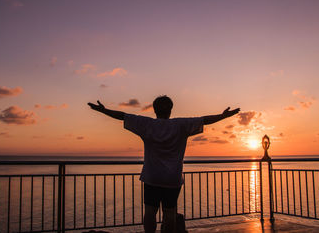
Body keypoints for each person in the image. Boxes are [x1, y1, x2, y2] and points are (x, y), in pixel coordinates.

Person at [88, 96, 240, 233]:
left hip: (152, 176)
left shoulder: (147, 124)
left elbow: (123, 116)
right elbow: (204, 120)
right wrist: (222, 116)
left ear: (154, 109)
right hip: (172, 178)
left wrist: (103, 110)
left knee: (149, 211)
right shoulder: (181, 125)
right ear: (171, 109)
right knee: (169, 213)